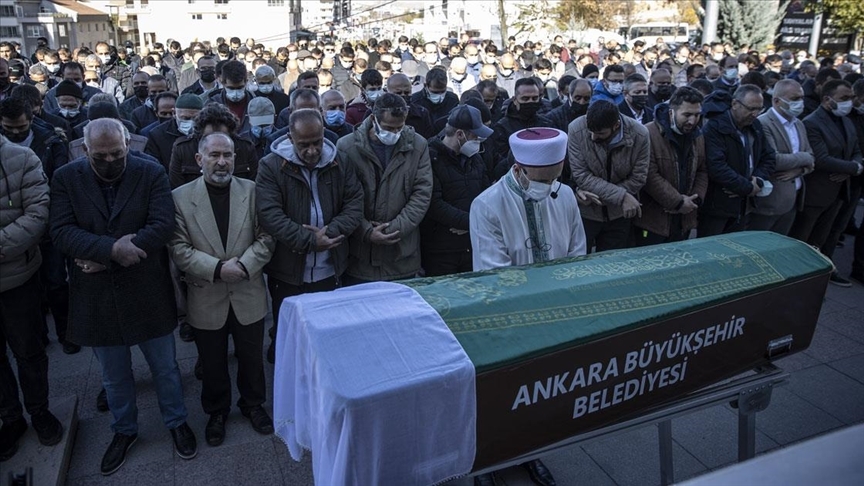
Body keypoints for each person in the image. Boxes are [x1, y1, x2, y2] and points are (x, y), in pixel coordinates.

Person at [49, 119, 197, 475]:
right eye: (101, 156)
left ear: (128, 144)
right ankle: (124, 430)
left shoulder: (151, 172)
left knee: (165, 367)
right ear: (85, 151)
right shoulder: (67, 178)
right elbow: (61, 231)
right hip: (97, 294)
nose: (110, 161)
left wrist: (108, 257)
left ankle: (176, 421)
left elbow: (162, 225)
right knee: (114, 376)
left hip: (146, 287)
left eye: (117, 153)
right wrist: (111, 250)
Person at [169, 132, 275, 446]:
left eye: (227, 155)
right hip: (206, 295)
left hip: (247, 288)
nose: (222, 161)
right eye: (214, 155)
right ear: (199, 160)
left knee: (251, 358)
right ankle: (216, 412)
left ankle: (253, 404)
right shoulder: (180, 197)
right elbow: (178, 248)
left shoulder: (253, 191)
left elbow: (267, 237)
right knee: (212, 362)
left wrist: (243, 266)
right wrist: (217, 269)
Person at [256, 109, 363, 363]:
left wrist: (332, 232)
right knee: (290, 337)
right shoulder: (271, 166)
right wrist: (310, 241)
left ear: (323, 133)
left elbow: (355, 203)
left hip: (330, 267)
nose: (312, 151)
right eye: (304, 145)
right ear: (291, 138)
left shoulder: (341, 161)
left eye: (316, 142)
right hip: (289, 271)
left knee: (327, 336)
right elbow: (270, 214)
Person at [0, 134, 64, 462]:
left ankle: (40, 411)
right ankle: (10, 417)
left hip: (17, 277)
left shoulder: (22, 158)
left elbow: (37, 216)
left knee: (28, 351)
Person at [336, 93, 432, 284]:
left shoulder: (418, 145)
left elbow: (421, 194)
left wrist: (393, 229)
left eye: (399, 128)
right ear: (373, 119)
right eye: (388, 128)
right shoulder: (347, 147)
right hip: (359, 257)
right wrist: (366, 231)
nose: (395, 133)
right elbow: (342, 198)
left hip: (401, 255)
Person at [790, 79, 863, 286]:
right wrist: (852, 168)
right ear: (827, 99)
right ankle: (795, 278)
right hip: (817, 191)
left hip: (840, 190)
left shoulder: (846, 121)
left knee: (827, 235)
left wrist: (853, 168)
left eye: (850, 97)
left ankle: (819, 272)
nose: (849, 102)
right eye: (844, 98)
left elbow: (856, 150)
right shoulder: (812, 122)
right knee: (802, 237)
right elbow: (820, 158)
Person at [420, 105, 493, 276]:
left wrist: (473, 224)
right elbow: (434, 203)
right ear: (460, 134)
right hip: (441, 250)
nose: (479, 141)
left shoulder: (475, 159)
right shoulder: (430, 157)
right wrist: (471, 222)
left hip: (472, 244)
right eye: (475, 137)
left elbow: (487, 194)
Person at [569, 100, 650, 252]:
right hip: (586, 213)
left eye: (600, 133)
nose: (593, 137)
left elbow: (638, 177)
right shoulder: (576, 129)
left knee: (612, 264)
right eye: (590, 131)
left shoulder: (640, 134)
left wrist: (615, 197)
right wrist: (623, 196)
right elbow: (581, 175)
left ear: (616, 125)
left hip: (619, 216)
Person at [633, 87, 708, 245]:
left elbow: (702, 170)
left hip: (684, 218)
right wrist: (677, 202)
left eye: (697, 115)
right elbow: (649, 175)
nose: (692, 121)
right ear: (671, 112)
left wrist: (695, 199)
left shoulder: (697, 135)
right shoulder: (648, 133)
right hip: (654, 221)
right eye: (687, 115)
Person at [699, 84, 777, 236]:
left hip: (744, 205)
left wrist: (758, 181)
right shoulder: (715, 128)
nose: (755, 114)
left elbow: (768, 156)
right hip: (718, 205)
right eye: (751, 109)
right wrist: (747, 187)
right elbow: (716, 166)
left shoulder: (755, 125)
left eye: (759, 109)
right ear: (735, 104)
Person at [751, 79, 815, 235]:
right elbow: (774, 160)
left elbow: (812, 158)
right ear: (777, 101)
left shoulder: (798, 124)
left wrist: (798, 171)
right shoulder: (763, 123)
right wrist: (804, 158)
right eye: (794, 99)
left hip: (792, 200)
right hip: (769, 204)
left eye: (801, 98)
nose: (800, 102)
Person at [169, 102, 258, 189]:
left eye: (222, 137)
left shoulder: (245, 148)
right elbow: (177, 189)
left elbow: (253, 186)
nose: (221, 162)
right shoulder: (183, 149)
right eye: (210, 137)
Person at [146, 93, 203, 170]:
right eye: (185, 118)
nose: (191, 122)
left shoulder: (208, 132)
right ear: (174, 113)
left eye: (195, 118)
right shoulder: (157, 135)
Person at [384, 73, 435, 138]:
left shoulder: (422, 113)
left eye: (407, 92)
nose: (403, 95)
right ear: (388, 92)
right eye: (398, 93)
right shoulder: (378, 113)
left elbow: (429, 139)